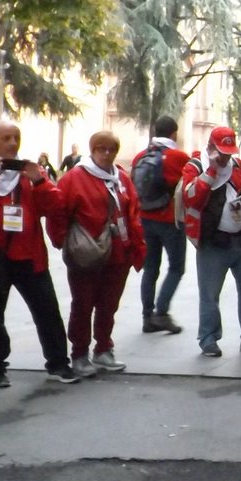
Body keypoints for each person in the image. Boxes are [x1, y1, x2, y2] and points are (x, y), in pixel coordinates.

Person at [0, 121, 78, 387]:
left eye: (16, 137)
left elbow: (55, 206)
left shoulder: (31, 171)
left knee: (47, 308)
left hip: (28, 253)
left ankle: (58, 363)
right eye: (6, 138)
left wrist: (40, 181)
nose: (12, 143)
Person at [57, 131, 144, 376]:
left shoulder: (122, 179)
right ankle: (80, 353)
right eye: (101, 149)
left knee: (108, 305)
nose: (106, 154)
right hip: (87, 254)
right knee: (83, 304)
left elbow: (133, 213)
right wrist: (63, 241)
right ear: (92, 149)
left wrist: (136, 248)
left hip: (118, 254)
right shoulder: (74, 178)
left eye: (111, 150)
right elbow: (59, 212)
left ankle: (104, 349)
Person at [181, 126, 241, 356]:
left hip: (240, 239)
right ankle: (208, 339)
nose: (225, 157)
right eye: (221, 152)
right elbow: (191, 198)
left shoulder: (238, 166)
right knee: (210, 294)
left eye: (229, 152)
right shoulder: (195, 167)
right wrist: (211, 171)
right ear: (211, 148)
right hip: (212, 242)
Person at [132, 116, 192, 334]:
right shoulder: (178, 157)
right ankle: (162, 313)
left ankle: (147, 317)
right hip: (170, 221)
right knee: (176, 267)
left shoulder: (140, 156)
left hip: (145, 218)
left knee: (150, 268)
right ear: (174, 134)